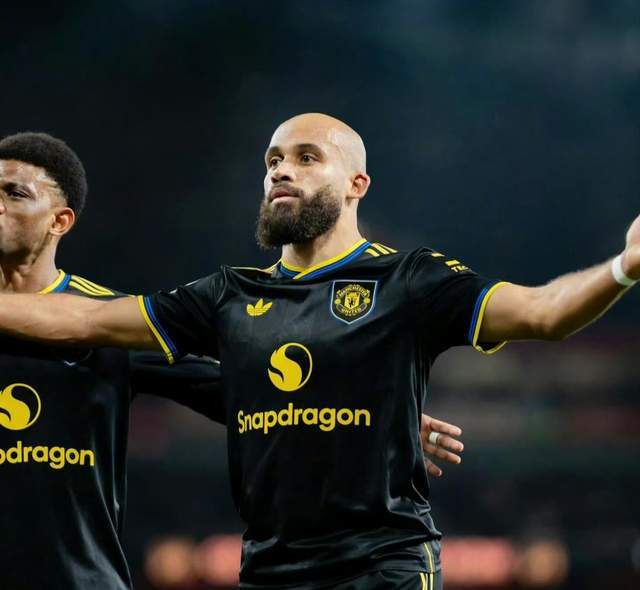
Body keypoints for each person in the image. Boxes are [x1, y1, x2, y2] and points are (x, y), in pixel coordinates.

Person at [2, 113, 632, 589]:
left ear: (357, 184)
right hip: (268, 569)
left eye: (307, 158)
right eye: (274, 160)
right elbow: (81, 317)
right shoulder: (227, 294)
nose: (281, 170)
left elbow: (543, 312)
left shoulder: (409, 279)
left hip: (382, 565)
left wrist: (624, 267)